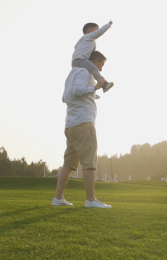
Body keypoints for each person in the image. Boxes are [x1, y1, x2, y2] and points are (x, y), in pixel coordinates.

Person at [52, 50, 112, 208]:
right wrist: (95, 88)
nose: (101, 69)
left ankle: (58, 199)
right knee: (89, 162)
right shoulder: (85, 72)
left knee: (69, 164)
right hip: (83, 124)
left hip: (71, 125)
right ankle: (91, 201)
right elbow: (76, 91)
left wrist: (93, 92)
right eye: (100, 64)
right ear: (93, 62)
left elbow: (65, 97)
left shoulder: (72, 74)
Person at [72, 21, 114, 92]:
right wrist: (108, 25)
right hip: (80, 59)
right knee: (93, 68)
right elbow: (100, 32)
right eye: (96, 29)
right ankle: (104, 84)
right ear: (90, 30)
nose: (97, 31)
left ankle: (91, 91)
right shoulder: (89, 36)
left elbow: (76, 47)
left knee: (88, 74)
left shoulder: (85, 41)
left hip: (76, 62)